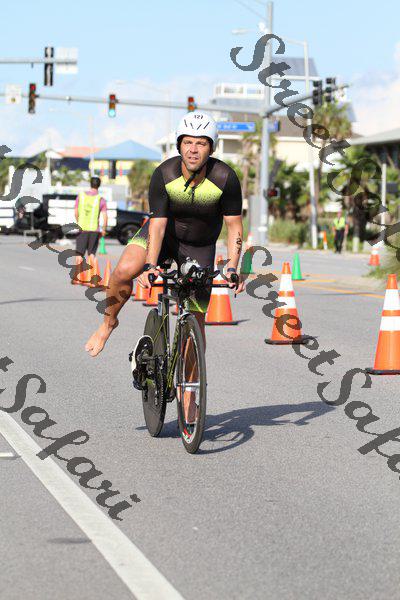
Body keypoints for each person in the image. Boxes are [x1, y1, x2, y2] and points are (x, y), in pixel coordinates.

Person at [74, 176, 107, 257]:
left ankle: (79, 266)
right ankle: (91, 265)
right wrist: (103, 230)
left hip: (82, 229)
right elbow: (105, 217)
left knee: (79, 255)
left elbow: (76, 212)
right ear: (99, 185)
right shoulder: (101, 199)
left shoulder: (81, 196)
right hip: (94, 230)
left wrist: (78, 222)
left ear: (90, 184)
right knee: (91, 255)